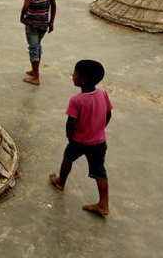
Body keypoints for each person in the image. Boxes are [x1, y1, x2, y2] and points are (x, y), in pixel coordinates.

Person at [49, 60, 112, 217]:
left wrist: (70, 136)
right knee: (100, 171)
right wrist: (100, 129)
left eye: (75, 73)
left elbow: (71, 122)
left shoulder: (76, 100)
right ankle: (103, 204)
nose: (72, 75)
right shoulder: (103, 93)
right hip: (99, 142)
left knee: (67, 159)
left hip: (79, 141)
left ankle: (60, 182)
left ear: (83, 80)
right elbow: (108, 114)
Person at [20, 0, 56, 86]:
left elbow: (25, 6)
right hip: (44, 24)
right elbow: (53, 5)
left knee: (33, 49)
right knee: (37, 46)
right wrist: (51, 22)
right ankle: (35, 70)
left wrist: (22, 17)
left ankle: (36, 77)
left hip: (32, 23)